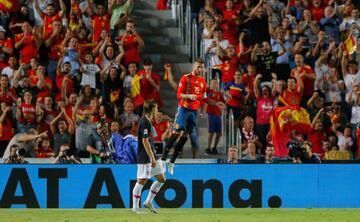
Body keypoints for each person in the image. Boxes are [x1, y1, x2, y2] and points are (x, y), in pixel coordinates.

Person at [161, 58, 207, 175]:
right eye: (198, 66)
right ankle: (163, 159)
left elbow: (204, 98)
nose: (200, 69)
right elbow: (178, 94)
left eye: (202, 67)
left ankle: (172, 162)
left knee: (185, 135)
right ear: (194, 65)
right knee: (176, 132)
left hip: (194, 111)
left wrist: (205, 108)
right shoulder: (185, 78)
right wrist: (189, 96)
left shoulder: (202, 81)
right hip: (184, 109)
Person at [132, 100, 166, 214]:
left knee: (161, 179)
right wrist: (151, 157)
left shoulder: (148, 122)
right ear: (151, 109)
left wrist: (154, 157)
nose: (157, 110)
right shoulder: (144, 122)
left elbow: (152, 138)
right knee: (142, 180)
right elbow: (145, 141)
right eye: (156, 108)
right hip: (145, 156)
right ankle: (135, 207)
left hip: (153, 156)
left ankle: (148, 202)